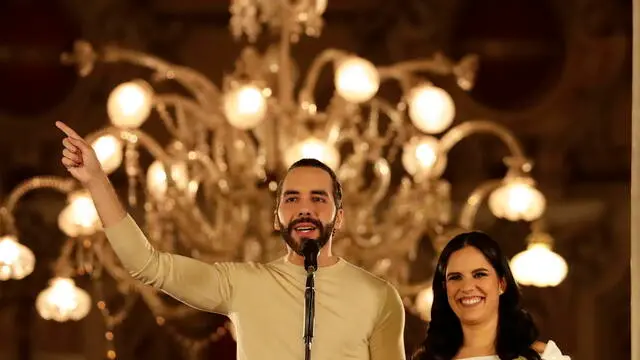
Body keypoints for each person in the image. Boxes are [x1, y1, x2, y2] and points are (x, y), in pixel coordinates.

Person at [55, 121, 406, 360]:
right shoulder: (242, 284)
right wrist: (97, 180)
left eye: (318, 198)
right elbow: (146, 264)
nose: (304, 209)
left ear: (339, 217)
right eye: (291, 199)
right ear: (276, 217)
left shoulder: (378, 296)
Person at [412, 231, 570, 360]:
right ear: (445, 288)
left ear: (501, 284)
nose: (467, 287)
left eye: (479, 274)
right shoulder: (427, 358)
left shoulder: (541, 357)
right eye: (455, 277)